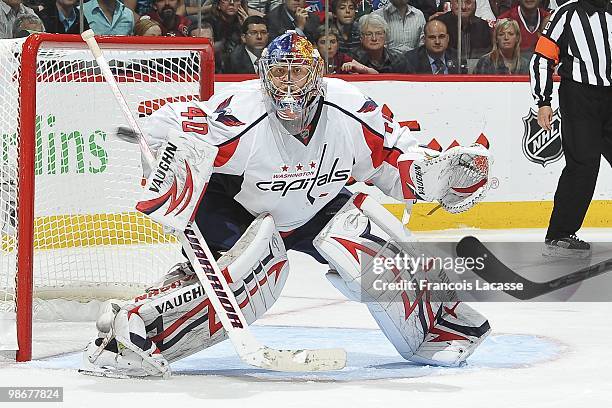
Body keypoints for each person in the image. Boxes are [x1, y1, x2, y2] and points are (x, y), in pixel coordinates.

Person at [82, 31, 491, 378]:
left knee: (359, 248)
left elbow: (393, 156)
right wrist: (165, 154)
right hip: (239, 208)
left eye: (298, 73)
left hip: (316, 207)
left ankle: (438, 325)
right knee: (256, 273)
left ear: (318, 76)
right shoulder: (241, 114)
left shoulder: (350, 108)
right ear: (265, 77)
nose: (289, 85)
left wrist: (429, 177)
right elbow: (167, 124)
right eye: (280, 73)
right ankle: (133, 334)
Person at [530, 0, 612, 258]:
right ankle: (559, 234)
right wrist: (543, 101)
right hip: (579, 96)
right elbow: (542, 56)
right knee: (583, 165)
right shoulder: (567, 13)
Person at [202, 0, 245, 66]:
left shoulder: (244, 23)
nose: (232, 3)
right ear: (218, 4)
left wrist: (246, 27)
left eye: (236, 0)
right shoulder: (208, 24)